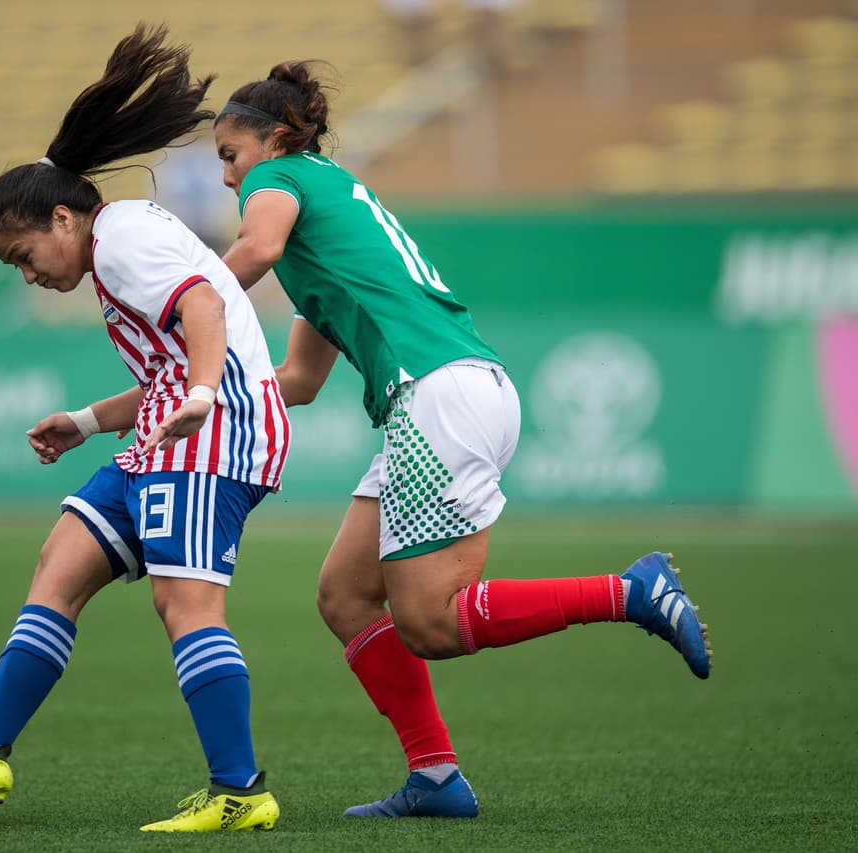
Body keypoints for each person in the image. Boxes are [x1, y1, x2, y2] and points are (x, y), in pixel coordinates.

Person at [209, 62, 713, 818]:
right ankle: (437, 778)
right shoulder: (330, 222)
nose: (227, 178)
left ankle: (630, 591)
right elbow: (299, 381)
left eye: (230, 156)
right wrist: (196, 392)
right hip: (447, 393)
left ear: (276, 141)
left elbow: (256, 251)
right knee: (346, 594)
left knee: (431, 621)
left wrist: (178, 309)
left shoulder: (280, 180)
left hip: (437, 396)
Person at [0, 25, 290, 834]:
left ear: (65, 218)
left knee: (184, 603)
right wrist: (82, 421)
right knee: (61, 561)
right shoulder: (114, 245)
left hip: (219, 428)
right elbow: (166, 370)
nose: (28, 272)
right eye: (13, 268)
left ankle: (241, 791)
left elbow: (204, 310)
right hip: (177, 425)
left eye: (24, 253)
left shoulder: (125, 237)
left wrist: (206, 394)